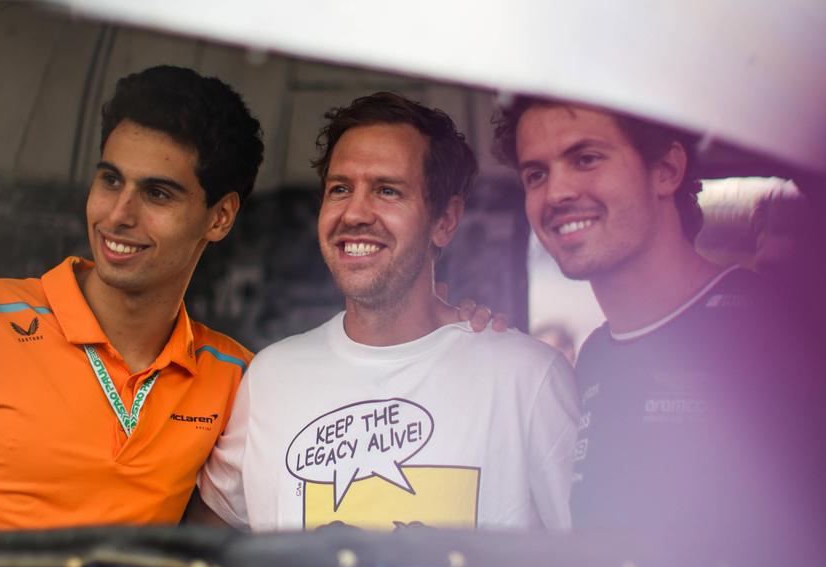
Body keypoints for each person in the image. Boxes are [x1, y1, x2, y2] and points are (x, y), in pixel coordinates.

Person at [0, 65, 263, 529]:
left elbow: (210, 563)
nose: (118, 214)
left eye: (157, 193)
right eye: (110, 180)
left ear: (220, 217)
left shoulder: (236, 377)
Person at [197, 93, 578, 532]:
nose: (355, 213)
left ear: (445, 221)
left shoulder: (529, 378)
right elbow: (208, 553)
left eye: (387, 190)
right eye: (340, 189)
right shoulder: (269, 378)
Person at [492, 97, 804, 534]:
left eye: (585, 158)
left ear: (666, 170)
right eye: (536, 174)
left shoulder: (775, 329)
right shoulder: (597, 354)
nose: (557, 192)